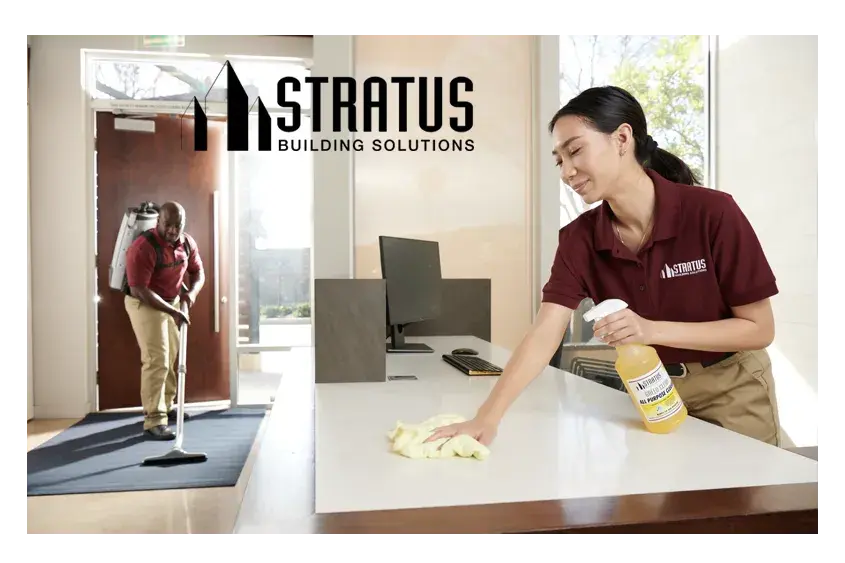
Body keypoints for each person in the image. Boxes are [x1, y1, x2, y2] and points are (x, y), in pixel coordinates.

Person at [429, 85, 782, 448]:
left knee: (750, 500)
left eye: (575, 150)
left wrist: (650, 331)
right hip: (649, 391)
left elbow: (758, 329)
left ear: (622, 138)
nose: (566, 171)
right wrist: (487, 417)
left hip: (731, 387)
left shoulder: (712, 213)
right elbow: (544, 333)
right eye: (559, 161)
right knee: (663, 501)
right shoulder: (578, 239)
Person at [124, 201, 205, 440]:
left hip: (171, 302)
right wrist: (173, 311)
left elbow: (199, 273)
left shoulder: (187, 243)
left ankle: (166, 406)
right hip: (144, 302)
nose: (172, 230)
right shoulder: (143, 247)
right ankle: (154, 420)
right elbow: (139, 289)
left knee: (170, 356)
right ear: (158, 222)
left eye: (177, 225)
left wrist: (191, 294)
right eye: (167, 224)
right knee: (157, 358)